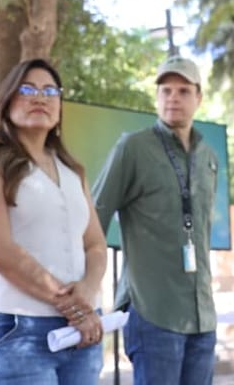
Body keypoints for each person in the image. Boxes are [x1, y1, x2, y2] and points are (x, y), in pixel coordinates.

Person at [0, 58, 108, 385]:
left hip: (82, 332)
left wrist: (87, 292)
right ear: (8, 99)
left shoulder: (73, 170)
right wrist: (75, 307)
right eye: (27, 89)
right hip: (19, 330)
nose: (39, 97)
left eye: (49, 90)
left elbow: (96, 245)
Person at [91, 56, 219, 385]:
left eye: (183, 90)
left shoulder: (208, 157)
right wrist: (87, 293)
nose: (173, 97)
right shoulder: (132, 148)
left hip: (203, 316)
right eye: (165, 90)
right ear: (157, 97)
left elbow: (201, 233)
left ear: (199, 97)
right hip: (153, 312)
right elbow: (94, 218)